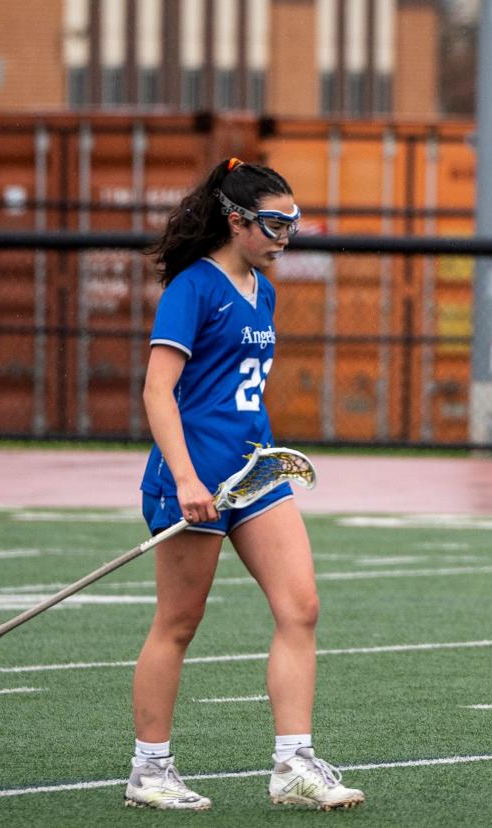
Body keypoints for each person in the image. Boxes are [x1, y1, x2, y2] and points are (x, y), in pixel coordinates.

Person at [126, 158, 364, 812]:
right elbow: (158, 391)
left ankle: (293, 764)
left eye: (293, 223)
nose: (286, 235)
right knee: (178, 622)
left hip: (253, 476)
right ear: (236, 220)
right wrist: (185, 477)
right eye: (274, 223)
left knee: (301, 607)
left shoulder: (264, 287)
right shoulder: (192, 288)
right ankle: (150, 770)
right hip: (194, 480)